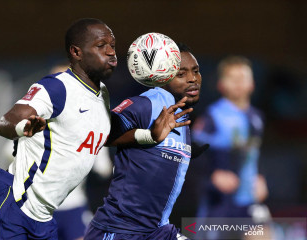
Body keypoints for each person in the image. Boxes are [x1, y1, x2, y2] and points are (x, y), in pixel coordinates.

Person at [0, 18, 117, 240]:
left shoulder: (102, 96)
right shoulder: (57, 86)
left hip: (45, 216)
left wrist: (148, 137)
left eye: (113, 45)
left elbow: (105, 147)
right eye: (101, 46)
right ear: (76, 53)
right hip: (13, 205)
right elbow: (5, 123)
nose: (110, 52)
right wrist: (23, 127)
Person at [84, 43, 202, 240]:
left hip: (158, 230)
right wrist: (148, 136)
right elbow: (101, 133)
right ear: (163, 77)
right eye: (181, 74)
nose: (193, 79)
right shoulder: (147, 103)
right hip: (120, 230)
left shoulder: (181, 117)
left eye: (196, 71)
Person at [192, 56, 268, 238]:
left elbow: (253, 154)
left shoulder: (257, 118)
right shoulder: (212, 117)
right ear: (221, 85)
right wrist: (213, 175)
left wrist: (260, 177)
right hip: (219, 202)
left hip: (248, 200)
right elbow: (191, 154)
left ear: (252, 84)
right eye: (232, 78)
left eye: (243, 78)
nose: (238, 83)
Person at [50, 62, 113, 240]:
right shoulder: (91, 124)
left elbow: (9, 152)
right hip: (58, 208)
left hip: (58, 207)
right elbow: (104, 169)